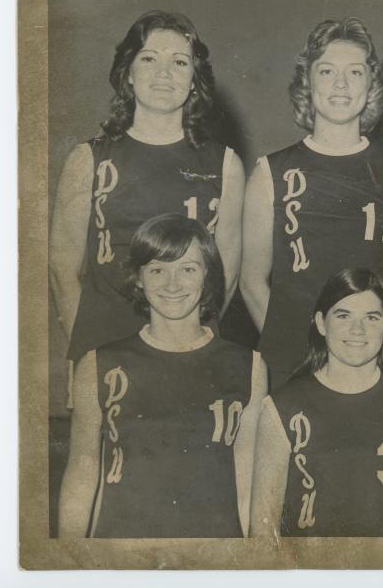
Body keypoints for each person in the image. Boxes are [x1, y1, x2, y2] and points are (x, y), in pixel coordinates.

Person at [50, 10, 244, 405]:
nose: (164, 73)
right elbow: (62, 270)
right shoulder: (88, 160)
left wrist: (191, 338)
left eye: (179, 62)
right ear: (128, 73)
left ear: (194, 80)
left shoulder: (224, 165)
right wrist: (87, 355)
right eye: (149, 58)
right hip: (106, 348)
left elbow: (226, 276)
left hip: (192, 353)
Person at [58, 214, 266, 538]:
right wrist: (69, 562)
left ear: (208, 275)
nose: (172, 284)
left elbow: (246, 480)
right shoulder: (99, 364)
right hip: (125, 547)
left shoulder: (248, 366)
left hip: (211, 549)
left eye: (188, 269)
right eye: (157, 270)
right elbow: (83, 473)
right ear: (139, 277)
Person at [241, 18, 383, 387]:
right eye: (326, 71)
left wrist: (358, 347)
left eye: (354, 72)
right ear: (308, 82)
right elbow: (252, 282)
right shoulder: (269, 173)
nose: (341, 84)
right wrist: (297, 350)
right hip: (291, 363)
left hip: (368, 363)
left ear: (371, 85)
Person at [248, 268, 383, 537]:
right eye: (343, 315)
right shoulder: (282, 407)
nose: (357, 330)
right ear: (320, 322)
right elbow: (264, 523)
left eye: (371, 318)